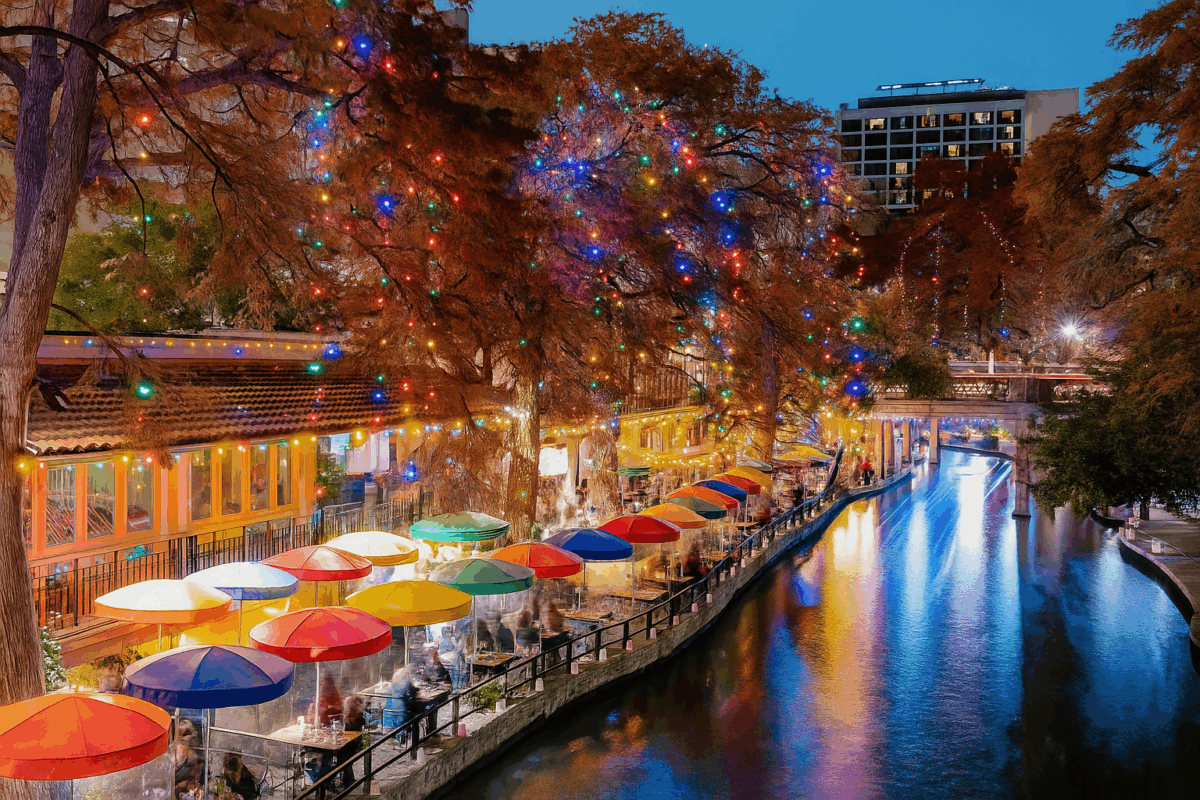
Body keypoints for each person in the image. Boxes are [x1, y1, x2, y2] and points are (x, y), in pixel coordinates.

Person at [337, 696, 366, 788]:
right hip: (348, 744)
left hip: (355, 745)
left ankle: (348, 781)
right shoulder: (350, 716)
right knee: (341, 756)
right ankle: (347, 780)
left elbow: (362, 737)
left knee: (343, 757)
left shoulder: (357, 717)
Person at [383, 666, 416, 730]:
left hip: (389, 714)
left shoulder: (395, 678)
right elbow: (412, 692)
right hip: (402, 712)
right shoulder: (405, 679)